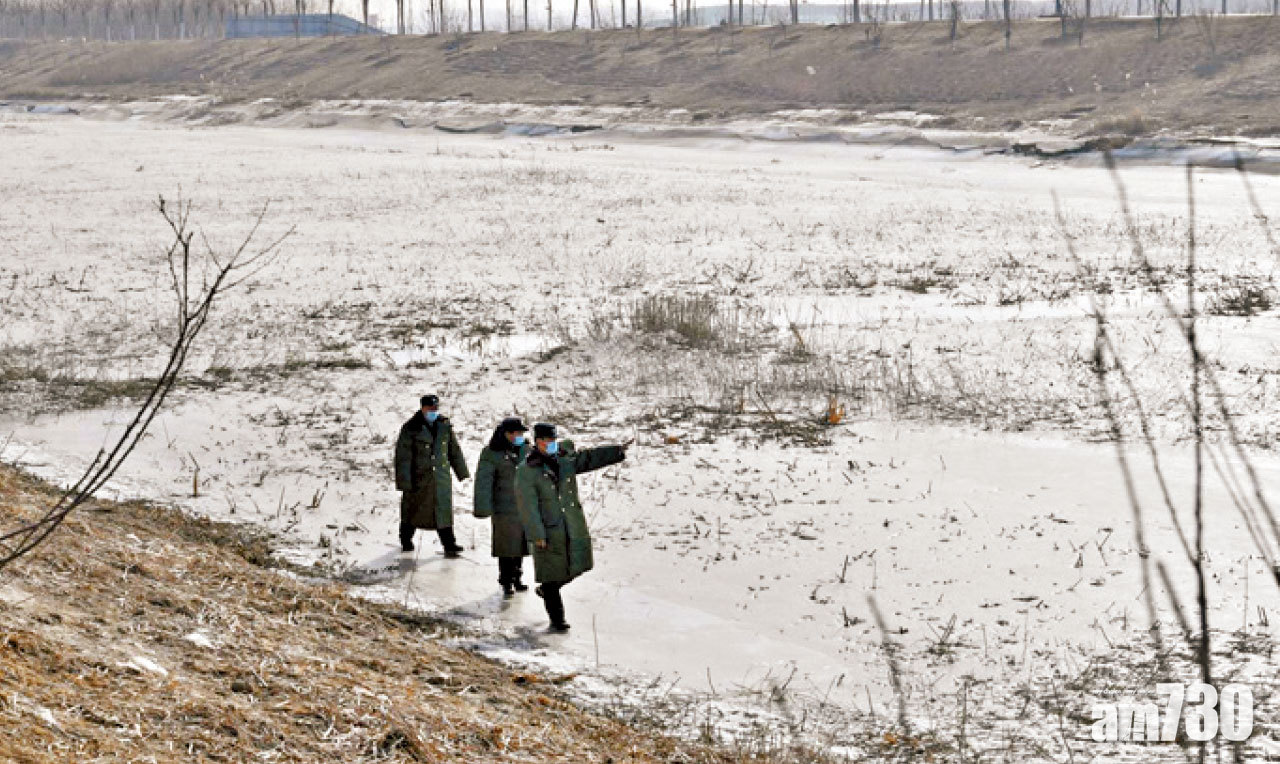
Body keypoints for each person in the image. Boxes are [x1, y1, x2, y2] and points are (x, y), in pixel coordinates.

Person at [515, 423, 629, 632]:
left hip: (572, 523)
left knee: (581, 564)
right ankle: (557, 620)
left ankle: (548, 589)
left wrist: (616, 451)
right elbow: (527, 506)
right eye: (547, 441)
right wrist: (536, 534)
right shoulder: (527, 470)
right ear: (538, 442)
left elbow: (588, 458)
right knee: (550, 575)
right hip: (548, 530)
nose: (551, 445)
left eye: (553, 440)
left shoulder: (565, 459)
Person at [393, 394, 470, 556]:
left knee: (443, 512)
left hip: (440, 479)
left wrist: (462, 472)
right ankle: (406, 540)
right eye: (429, 409)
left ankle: (449, 544)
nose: (433, 411)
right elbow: (403, 457)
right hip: (419, 479)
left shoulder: (444, 426)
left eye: (435, 408)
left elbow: (454, 450)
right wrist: (404, 482)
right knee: (412, 512)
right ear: (422, 408)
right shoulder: (411, 428)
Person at [473, 417, 531, 598]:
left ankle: (517, 577)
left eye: (522, 433)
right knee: (507, 546)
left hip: (524, 506)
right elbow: (483, 482)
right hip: (503, 507)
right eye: (517, 433)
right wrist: (483, 507)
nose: (521, 436)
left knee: (521, 545)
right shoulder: (491, 453)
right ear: (507, 434)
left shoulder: (527, 451)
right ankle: (506, 580)